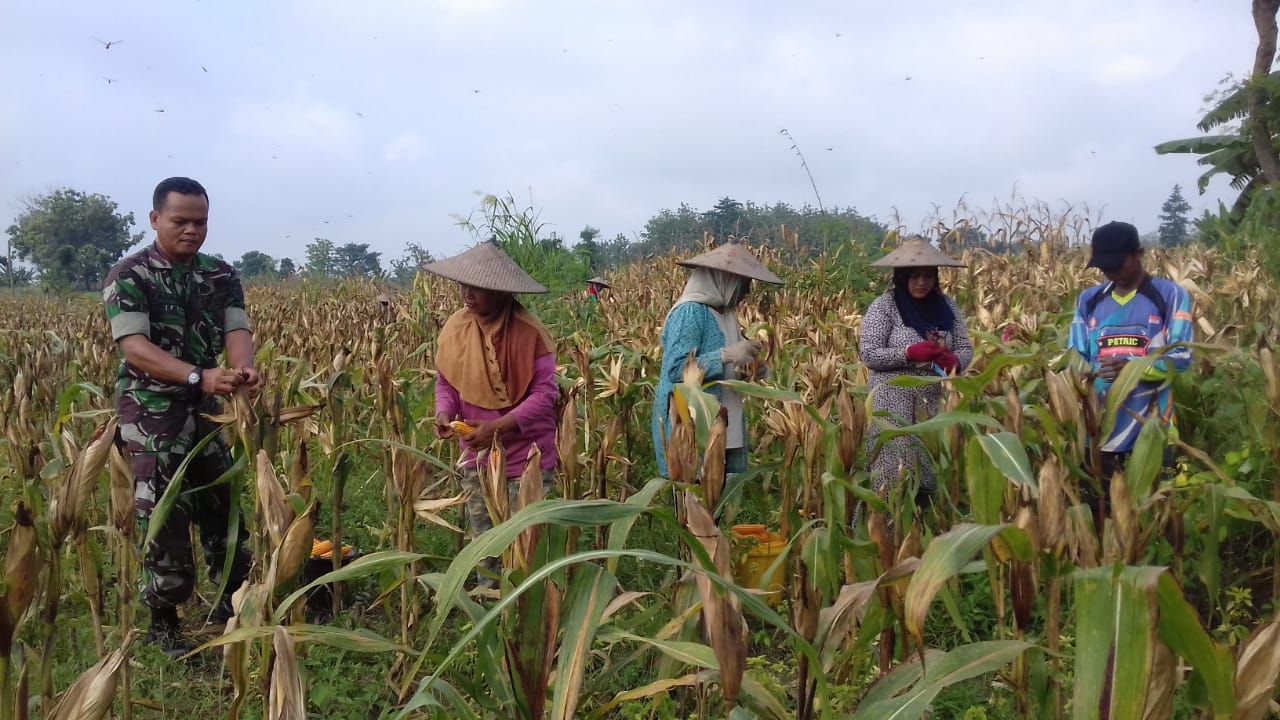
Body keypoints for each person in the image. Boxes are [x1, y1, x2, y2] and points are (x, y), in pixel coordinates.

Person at [102, 176, 258, 657]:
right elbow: (135, 348)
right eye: (181, 221)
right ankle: (164, 619)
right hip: (151, 409)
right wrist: (198, 376)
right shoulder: (129, 275)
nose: (192, 230)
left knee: (222, 500)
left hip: (207, 408)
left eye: (200, 222)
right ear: (155, 220)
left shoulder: (220, 274)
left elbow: (236, 329)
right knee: (163, 510)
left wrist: (243, 369)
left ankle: (233, 600)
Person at [426, 241, 559, 588]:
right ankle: (488, 608)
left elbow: (545, 395)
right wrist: (444, 412)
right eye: (463, 286)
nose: (467, 295)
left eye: (477, 288)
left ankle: (526, 612)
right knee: (485, 545)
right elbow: (447, 381)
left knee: (526, 549)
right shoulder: (456, 328)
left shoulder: (531, 333)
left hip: (526, 459)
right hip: (478, 456)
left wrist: (498, 427)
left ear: (501, 291)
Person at [1069, 221, 1193, 509]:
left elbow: (1182, 358)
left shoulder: (1171, 296)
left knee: (1161, 514)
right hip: (1100, 433)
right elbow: (1075, 357)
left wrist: (1132, 368)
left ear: (1138, 254)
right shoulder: (1089, 301)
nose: (1110, 272)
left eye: (1117, 264)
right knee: (1102, 515)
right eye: (1104, 267)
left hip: (1156, 430)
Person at [652, 239, 782, 477]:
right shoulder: (691, 313)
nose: (746, 291)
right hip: (695, 427)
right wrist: (726, 355)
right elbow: (676, 369)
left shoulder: (727, 313)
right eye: (743, 283)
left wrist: (752, 369)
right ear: (722, 279)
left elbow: (730, 367)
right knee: (695, 493)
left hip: (725, 425)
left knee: (726, 494)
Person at [860, 236, 973, 508]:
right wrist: (908, 352)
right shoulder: (885, 306)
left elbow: (965, 347)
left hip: (932, 406)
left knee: (928, 481)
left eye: (927, 276)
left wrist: (954, 360)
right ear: (901, 277)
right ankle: (885, 529)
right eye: (913, 276)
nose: (921, 282)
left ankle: (926, 529)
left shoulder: (947, 307)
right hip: (891, 408)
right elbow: (870, 353)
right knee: (892, 482)